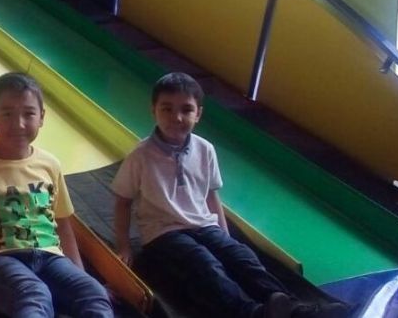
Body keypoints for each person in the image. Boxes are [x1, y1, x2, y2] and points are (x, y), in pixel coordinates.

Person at [111, 72, 349, 318]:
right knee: (204, 263)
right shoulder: (141, 156)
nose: (177, 117)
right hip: (163, 234)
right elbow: (123, 201)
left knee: (240, 256)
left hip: (203, 224)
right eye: (167, 109)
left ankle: (288, 306)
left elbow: (211, 195)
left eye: (186, 110)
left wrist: (224, 237)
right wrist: (124, 246)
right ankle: (251, 313)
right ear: (154, 111)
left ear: (198, 114)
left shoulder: (205, 149)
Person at [0, 72, 113, 318]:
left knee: (94, 293)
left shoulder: (49, 165)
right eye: (7, 114)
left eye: (29, 114)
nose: (18, 124)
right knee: (34, 294)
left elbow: (63, 224)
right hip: (1, 260)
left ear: (42, 118)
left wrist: (81, 275)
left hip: (51, 258)